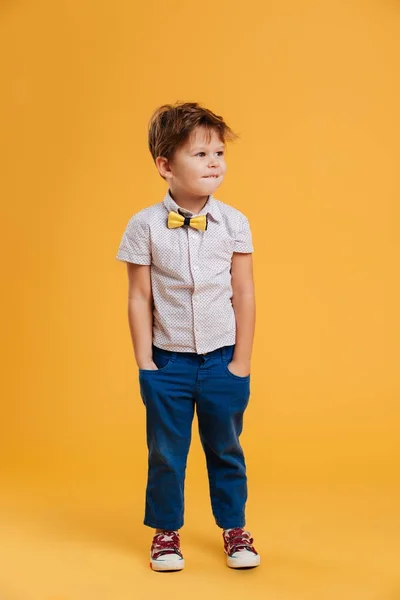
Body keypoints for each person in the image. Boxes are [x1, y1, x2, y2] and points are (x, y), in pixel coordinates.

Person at [116, 101, 260, 571]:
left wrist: (242, 362)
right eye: (200, 154)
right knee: (166, 454)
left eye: (219, 152)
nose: (215, 162)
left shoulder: (235, 222)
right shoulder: (144, 226)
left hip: (222, 362)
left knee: (226, 449)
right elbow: (140, 297)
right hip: (169, 364)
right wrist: (146, 364)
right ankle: (165, 534)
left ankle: (234, 528)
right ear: (165, 166)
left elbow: (244, 292)